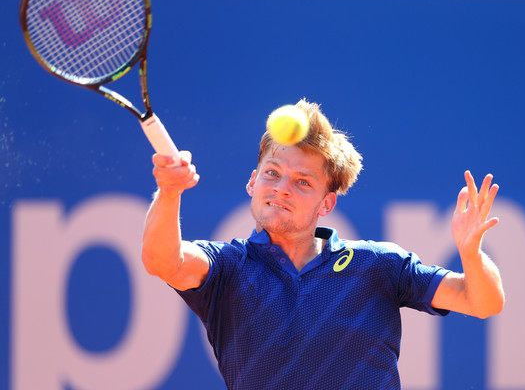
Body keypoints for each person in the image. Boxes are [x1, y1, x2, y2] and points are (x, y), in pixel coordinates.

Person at [141, 99, 504, 389]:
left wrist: (470, 253)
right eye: (272, 173)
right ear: (253, 182)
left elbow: (483, 302)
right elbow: (163, 261)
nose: (281, 187)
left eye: (302, 182)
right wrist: (170, 190)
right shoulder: (226, 267)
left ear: (326, 204)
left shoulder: (379, 266)